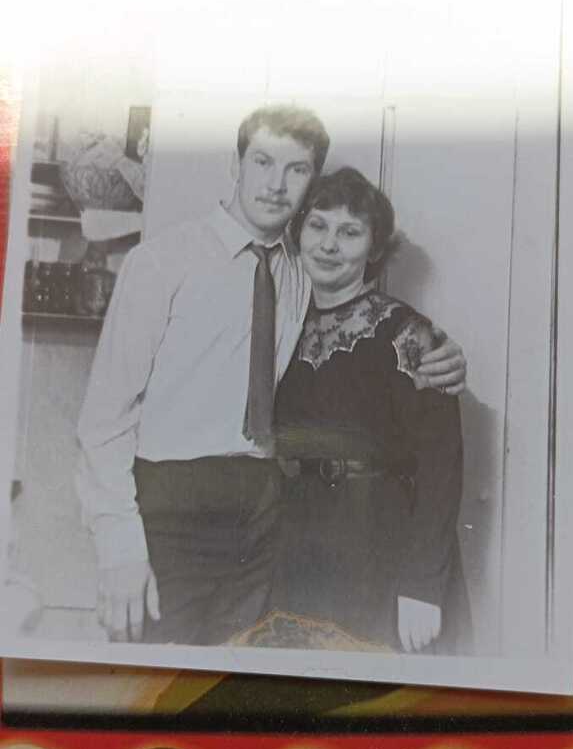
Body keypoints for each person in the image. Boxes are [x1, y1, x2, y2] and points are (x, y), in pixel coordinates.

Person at [76, 105, 467, 646]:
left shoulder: (298, 273)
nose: (276, 184)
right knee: (165, 677)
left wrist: (446, 357)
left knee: (244, 677)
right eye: (262, 161)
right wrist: (117, 546)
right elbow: (103, 420)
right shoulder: (161, 263)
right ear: (235, 164)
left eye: (296, 169)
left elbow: (377, 341)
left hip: (268, 523)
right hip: (172, 507)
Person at [273, 167, 465, 652]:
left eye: (349, 232)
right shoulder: (278, 330)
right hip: (294, 549)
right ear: (298, 233)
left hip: (380, 548)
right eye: (318, 226)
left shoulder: (409, 333)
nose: (328, 245)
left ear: (375, 248)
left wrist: (423, 586)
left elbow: (442, 466)